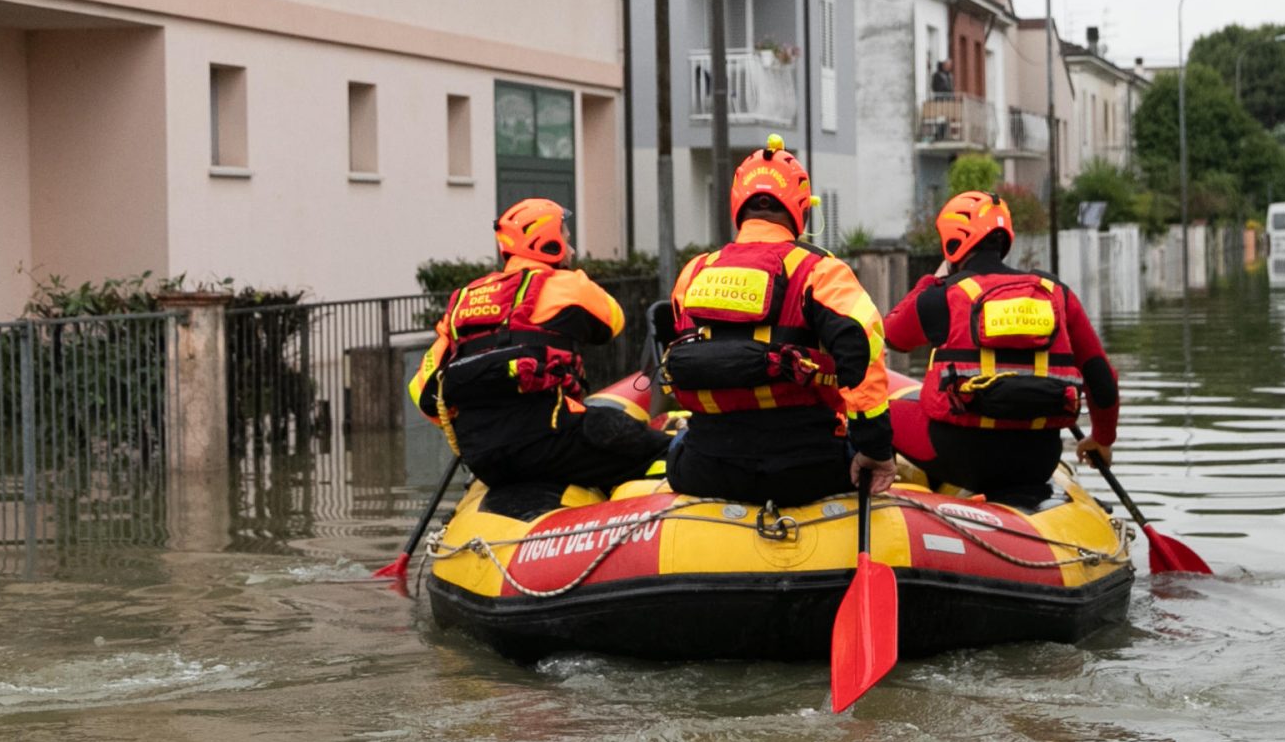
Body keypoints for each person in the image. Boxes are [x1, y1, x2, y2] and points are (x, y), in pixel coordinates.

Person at [656, 136, 896, 508]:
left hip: (706, 468)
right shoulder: (821, 270)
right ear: (800, 207)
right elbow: (861, 348)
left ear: (738, 202)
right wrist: (876, 448)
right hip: (805, 471)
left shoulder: (694, 271)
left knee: (673, 443)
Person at [409, 198, 673, 519]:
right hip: (549, 443)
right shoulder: (564, 284)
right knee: (643, 442)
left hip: (485, 458)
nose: (572, 250)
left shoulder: (463, 301)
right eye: (566, 238)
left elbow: (422, 392)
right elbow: (612, 321)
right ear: (548, 243)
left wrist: (482, 419)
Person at [881, 190, 1119, 508]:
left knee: (871, 412)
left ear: (952, 241)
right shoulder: (1055, 293)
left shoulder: (945, 295)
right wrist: (1102, 439)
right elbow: (1101, 379)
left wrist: (933, 281)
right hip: (1038, 461)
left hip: (962, 458)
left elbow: (893, 335)